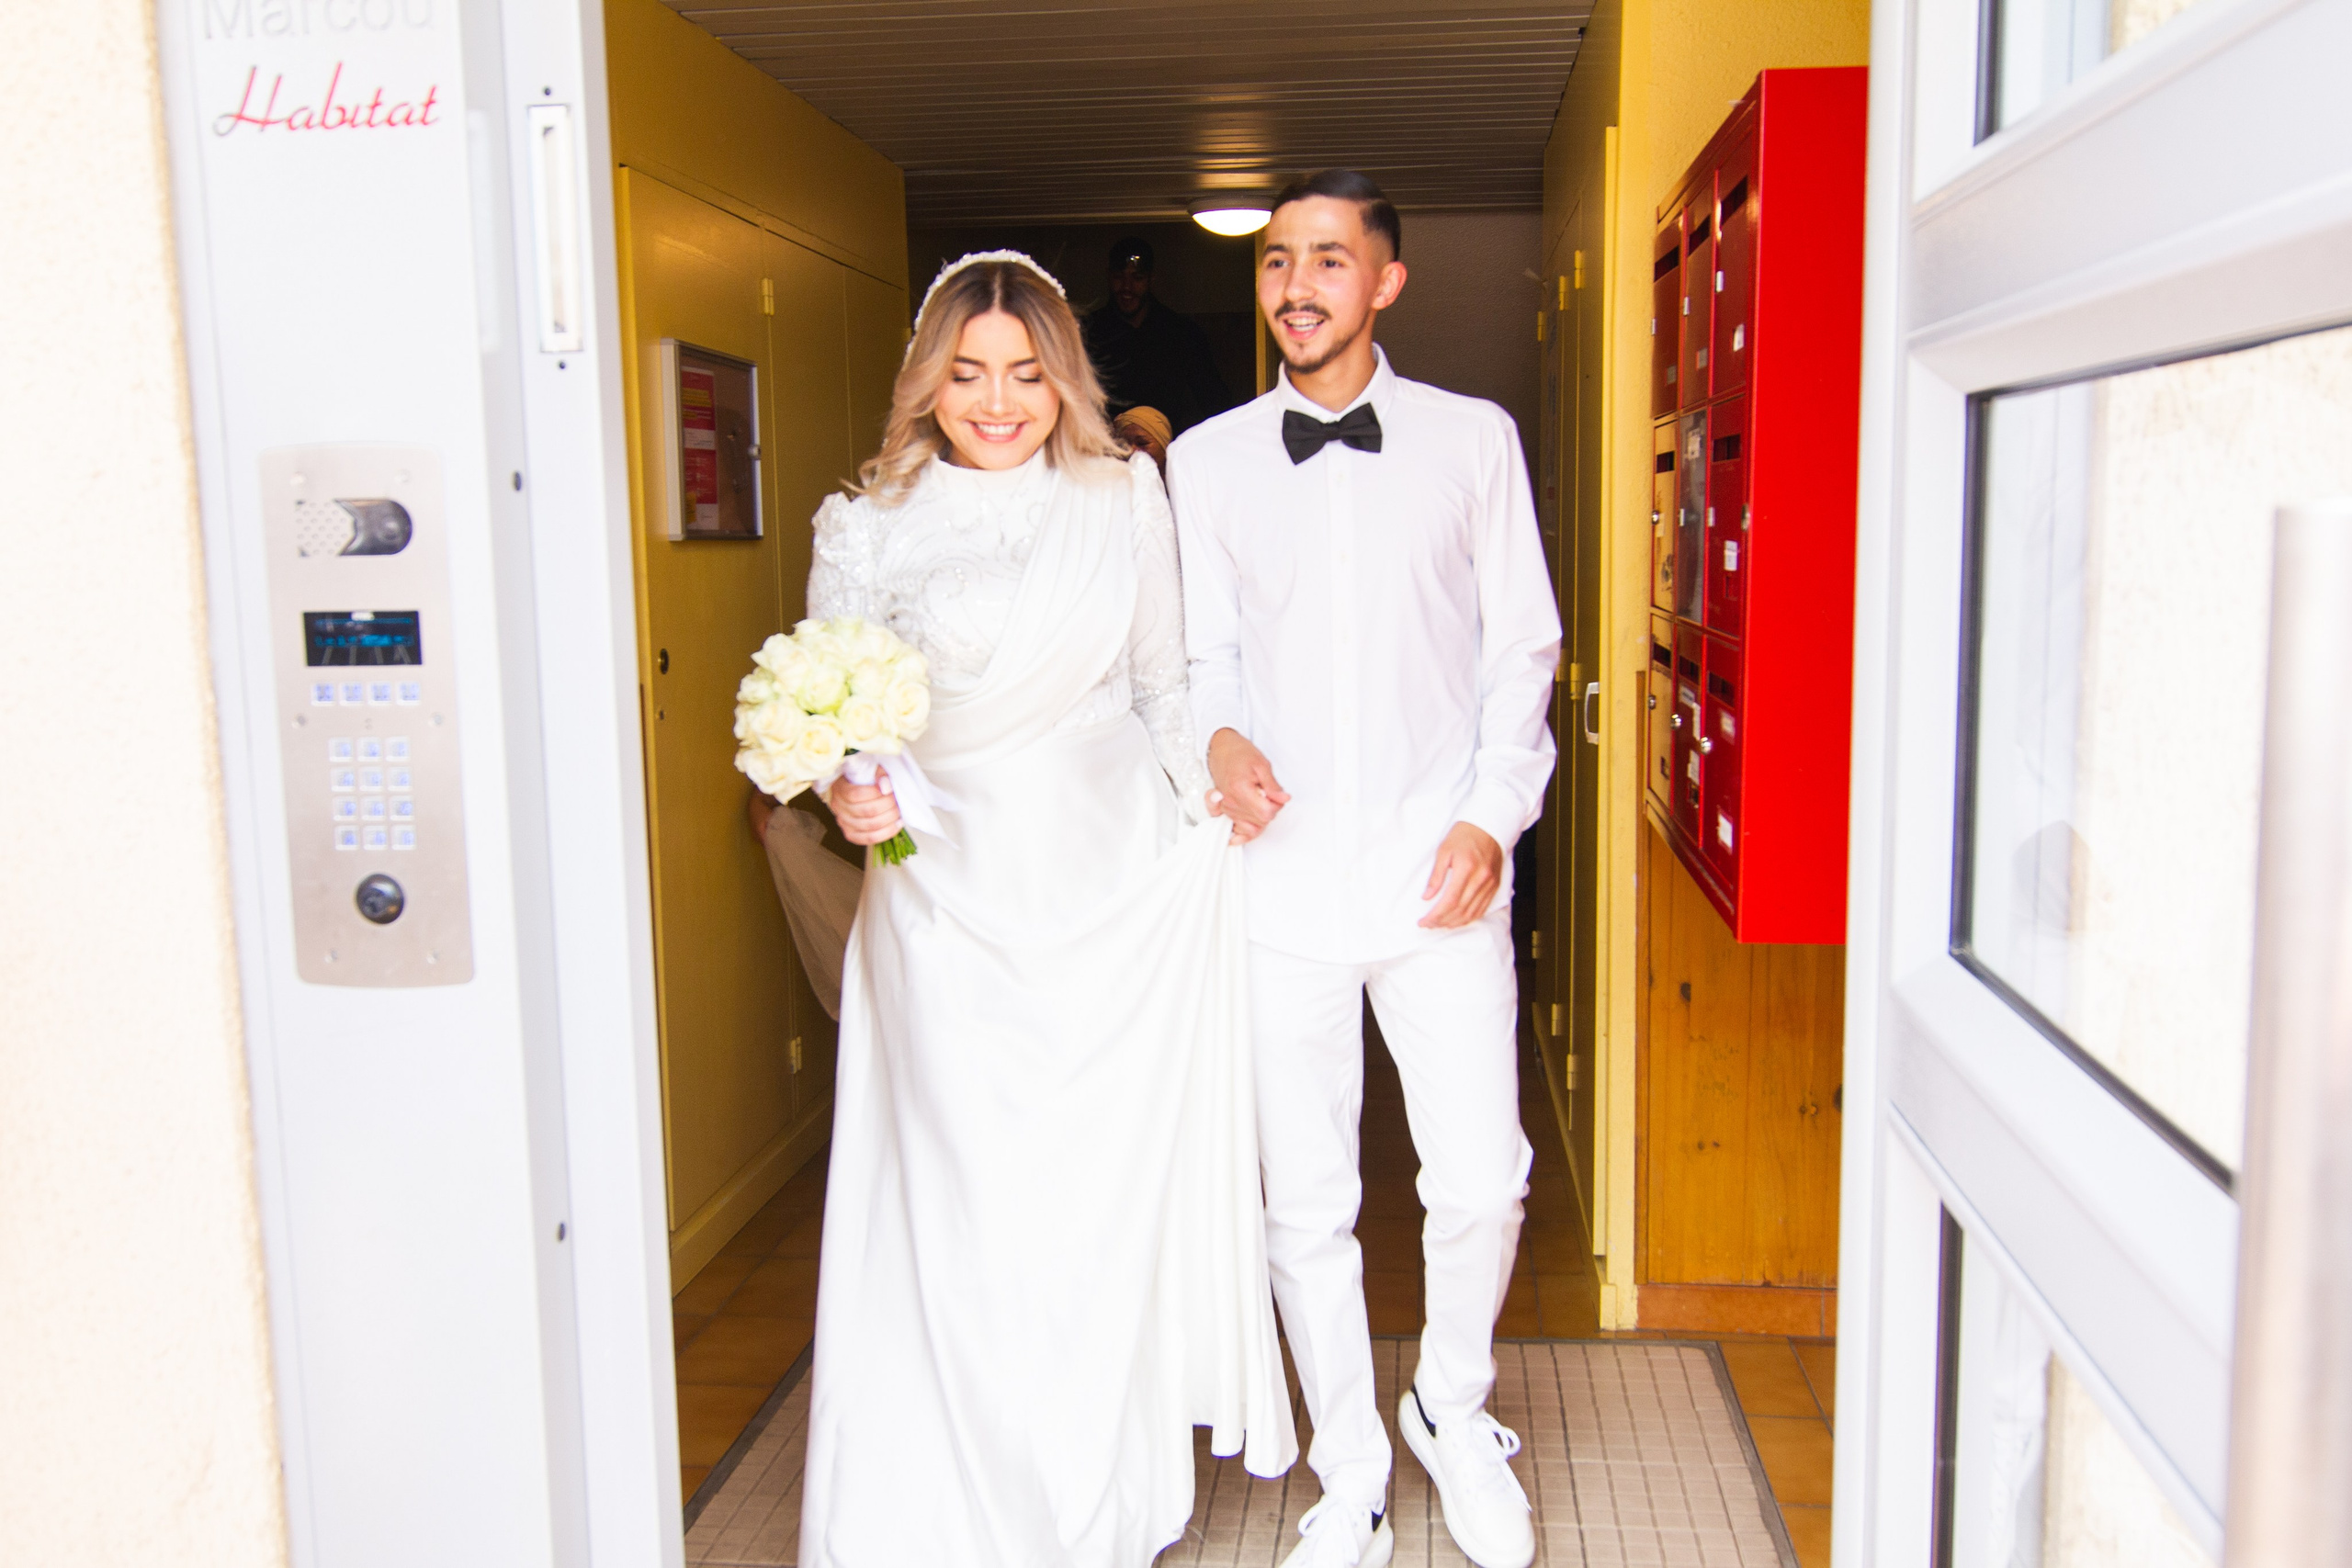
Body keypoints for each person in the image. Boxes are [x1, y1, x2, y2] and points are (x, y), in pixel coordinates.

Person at [792, 251, 1295, 1567]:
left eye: (1024, 373)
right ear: (928, 381)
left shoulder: (1124, 495)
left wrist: (1216, 786)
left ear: (1063, 374)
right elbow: (844, 711)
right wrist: (852, 787)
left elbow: (1161, 686)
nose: (997, 401)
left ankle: (1089, 1490)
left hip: (1108, 890)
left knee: (1087, 1192)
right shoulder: (866, 523)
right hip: (944, 900)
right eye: (966, 375)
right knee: (961, 1192)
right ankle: (952, 1495)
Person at [1169, 171, 1561, 1568]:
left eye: (1328, 260)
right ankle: (1353, 1469)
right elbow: (1201, 657)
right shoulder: (1204, 462)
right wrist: (1215, 738)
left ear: (1385, 281)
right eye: (1279, 261)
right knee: (1304, 1201)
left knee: (1481, 1180)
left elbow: (1523, 645)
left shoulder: (1473, 441)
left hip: (1438, 874)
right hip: (1277, 884)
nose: (1297, 285)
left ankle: (1451, 1406)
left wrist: (1491, 814)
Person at [1082, 236, 1238, 436]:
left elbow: (1213, 398)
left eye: (1136, 278)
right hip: (1105, 450)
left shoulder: (1180, 332)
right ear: (1109, 277)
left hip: (1167, 450)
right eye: (1119, 277)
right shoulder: (1090, 332)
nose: (1127, 287)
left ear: (1150, 279)